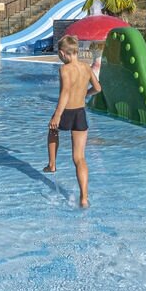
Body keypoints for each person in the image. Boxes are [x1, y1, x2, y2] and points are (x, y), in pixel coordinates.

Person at [44, 34, 101, 208]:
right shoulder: (86, 67)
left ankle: (52, 164)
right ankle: (84, 198)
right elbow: (98, 88)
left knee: (52, 129)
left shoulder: (65, 69)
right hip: (80, 113)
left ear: (63, 53)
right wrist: (85, 94)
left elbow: (65, 93)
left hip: (67, 111)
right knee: (79, 158)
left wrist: (57, 115)